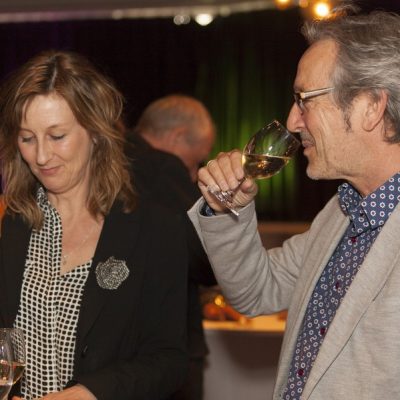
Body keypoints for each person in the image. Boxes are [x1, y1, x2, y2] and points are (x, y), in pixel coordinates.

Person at [188, 5, 400, 400]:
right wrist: (229, 207)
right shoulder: (341, 213)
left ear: (371, 106)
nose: (292, 121)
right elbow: (256, 291)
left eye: (305, 100)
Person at [0, 50, 188, 400]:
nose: (41, 156)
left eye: (57, 136)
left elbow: (169, 360)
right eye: (27, 138)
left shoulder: (154, 230)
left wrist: (90, 393)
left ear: (96, 132)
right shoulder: (9, 224)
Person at [126, 94, 217, 400]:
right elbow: (206, 259)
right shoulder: (162, 166)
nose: (194, 174)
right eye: (195, 162)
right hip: (166, 347)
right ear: (178, 137)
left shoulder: (105, 158)